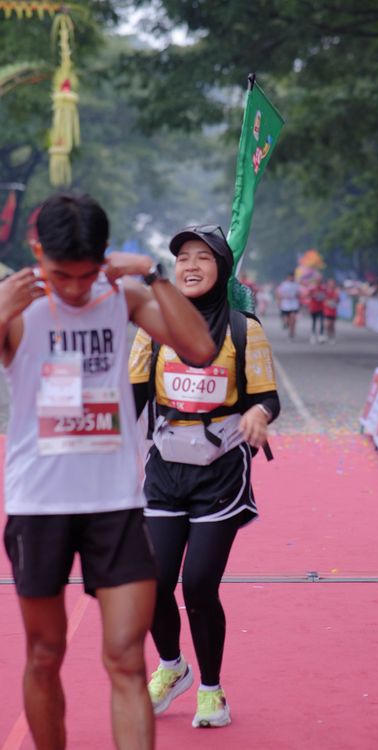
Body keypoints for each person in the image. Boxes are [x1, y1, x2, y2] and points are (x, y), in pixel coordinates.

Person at [1, 192, 215, 750]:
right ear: (37, 251)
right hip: (38, 505)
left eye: (86, 273)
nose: (75, 288)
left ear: (104, 258)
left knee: (126, 657)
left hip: (114, 506)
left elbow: (199, 348)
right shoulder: (16, 303)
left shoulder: (124, 295)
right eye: (61, 275)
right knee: (44, 653)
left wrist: (155, 275)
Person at [129, 224, 280, 729]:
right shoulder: (152, 328)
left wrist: (258, 413)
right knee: (152, 583)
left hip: (220, 474)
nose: (191, 266)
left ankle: (212, 690)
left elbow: (267, 397)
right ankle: (172, 667)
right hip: (164, 472)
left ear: (222, 268)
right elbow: (130, 398)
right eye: (183, 258)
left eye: (203, 257)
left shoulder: (244, 329)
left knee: (197, 585)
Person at [276, 271, 301, 338]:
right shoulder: (284, 284)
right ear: (288, 277)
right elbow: (278, 293)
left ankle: (292, 331)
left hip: (294, 305)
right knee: (287, 320)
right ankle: (287, 325)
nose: (292, 278)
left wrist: (298, 298)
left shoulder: (296, 285)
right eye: (290, 277)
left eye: (293, 277)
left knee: (293, 318)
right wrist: (279, 302)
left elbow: (299, 293)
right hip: (285, 305)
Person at [307, 276, 327, 343]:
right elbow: (308, 295)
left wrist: (322, 296)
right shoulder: (312, 289)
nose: (318, 282)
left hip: (321, 307)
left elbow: (326, 296)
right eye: (317, 281)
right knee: (314, 322)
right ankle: (313, 335)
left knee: (322, 322)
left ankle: (321, 335)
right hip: (313, 307)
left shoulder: (323, 289)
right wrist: (314, 296)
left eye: (320, 281)